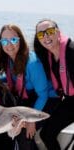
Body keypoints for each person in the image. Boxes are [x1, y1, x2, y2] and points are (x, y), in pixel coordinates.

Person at [0, 24, 53, 150]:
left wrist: (31, 121)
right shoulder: (9, 59)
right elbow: (13, 78)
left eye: (14, 40)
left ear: (20, 40)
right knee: (10, 124)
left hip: (46, 99)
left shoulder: (33, 63)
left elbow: (43, 95)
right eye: (4, 41)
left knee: (23, 132)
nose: (9, 45)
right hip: (27, 97)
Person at [34, 18, 74, 150]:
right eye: (41, 34)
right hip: (70, 101)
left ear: (58, 32)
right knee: (46, 134)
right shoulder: (48, 55)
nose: (45, 36)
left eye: (49, 31)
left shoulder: (71, 51)